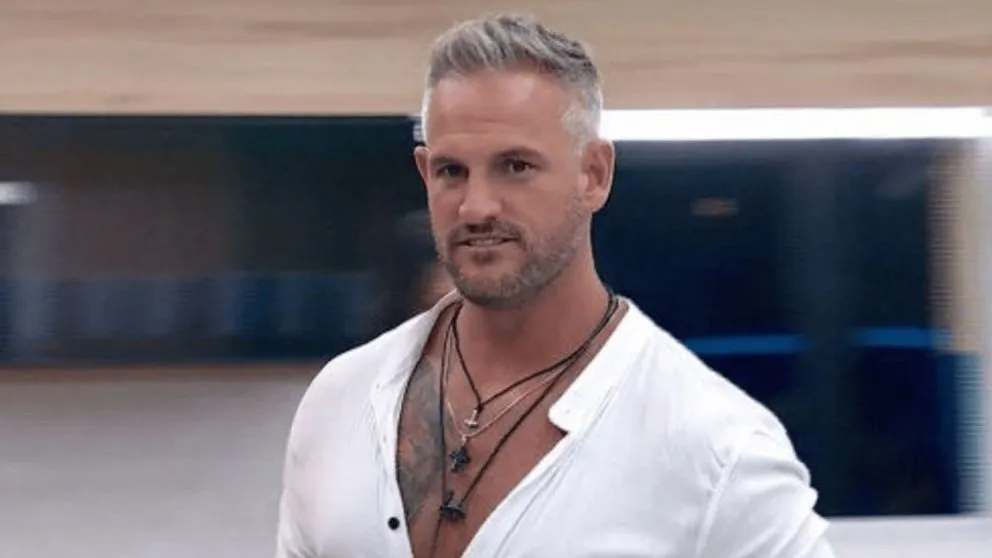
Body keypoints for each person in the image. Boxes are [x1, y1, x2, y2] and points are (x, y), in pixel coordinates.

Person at [275, 14, 836, 558]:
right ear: (425, 174)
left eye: (515, 166)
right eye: (452, 171)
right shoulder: (340, 402)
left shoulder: (719, 453)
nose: (476, 206)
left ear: (594, 175)